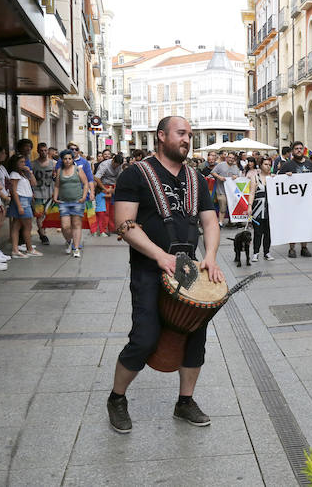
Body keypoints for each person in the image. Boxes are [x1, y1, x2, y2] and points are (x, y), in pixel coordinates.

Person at [108, 115, 224, 434]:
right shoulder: (136, 174)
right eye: (181, 133)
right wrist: (159, 256)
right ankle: (117, 398)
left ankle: (184, 402)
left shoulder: (196, 178)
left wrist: (210, 256)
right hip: (149, 269)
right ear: (161, 136)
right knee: (143, 339)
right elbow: (125, 224)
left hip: (188, 270)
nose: (188, 139)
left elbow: (210, 222)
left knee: (194, 338)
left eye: (190, 134)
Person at [277, 141, 312, 257]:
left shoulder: (310, 164)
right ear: (292, 151)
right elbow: (278, 182)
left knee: (305, 225)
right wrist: (286, 177)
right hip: (292, 202)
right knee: (293, 225)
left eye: (301, 148)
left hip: (306, 201)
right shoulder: (287, 165)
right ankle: (292, 248)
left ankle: (304, 247)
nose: (299, 150)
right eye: (296, 149)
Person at [52, 149, 89, 258]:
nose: (67, 161)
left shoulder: (78, 169)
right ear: (62, 160)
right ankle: (69, 240)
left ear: (72, 159)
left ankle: (76, 248)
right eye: (65, 159)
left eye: (69, 158)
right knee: (65, 226)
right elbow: (57, 186)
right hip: (63, 202)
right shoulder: (60, 171)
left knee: (77, 225)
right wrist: (55, 197)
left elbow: (86, 183)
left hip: (77, 201)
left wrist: (83, 197)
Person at [6, 154, 42, 258]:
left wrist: (29, 172)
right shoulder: (14, 174)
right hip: (22, 200)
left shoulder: (23, 174)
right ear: (15, 163)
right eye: (21, 162)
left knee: (17, 225)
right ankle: (29, 248)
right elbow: (14, 191)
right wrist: (19, 206)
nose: (23, 164)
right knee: (27, 225)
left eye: (24, 161)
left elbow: (34, 183)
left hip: (26, 199)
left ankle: (16, 249)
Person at [249, 157, 274, 262]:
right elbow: (252, 193)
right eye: (265, 164)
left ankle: (267, 252)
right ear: (261, 165)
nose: (267, 166)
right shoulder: (255, 178)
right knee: (258, 232)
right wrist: (249, 205)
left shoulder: (273, 178)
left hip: (270, 210)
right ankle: (255, 253)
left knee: (268, 232)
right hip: (257, 209)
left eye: (269, 164)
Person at [32, 143, 57, 245]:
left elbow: (57, 178)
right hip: (37, 192)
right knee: (39, 215)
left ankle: (42, 229)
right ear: (38, 151)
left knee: (48, 215)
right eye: (41, 150)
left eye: (45, 150)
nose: (43, 152)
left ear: (48, 151)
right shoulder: (33, 164)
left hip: (50, 192)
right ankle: (43, 235)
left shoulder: (53, 164)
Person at [94, 153, 123, 236]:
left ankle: (112, 228)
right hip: (103, 185)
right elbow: (96, 177)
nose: (116, 167)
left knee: (113, 209)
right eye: (115, 165)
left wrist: (114, 189)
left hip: (113, 187)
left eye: (118, 166)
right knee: (105, 209)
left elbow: (119, 178)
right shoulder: (105, 165)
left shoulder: (119, 166)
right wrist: (105, 189)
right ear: (113, 160)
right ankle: (104, 228)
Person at [210, 152, 241, 228]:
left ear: (234, 159)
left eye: (232, 158)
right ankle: (220, 223)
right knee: (223, 207)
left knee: (231, 206)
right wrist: (219, 177)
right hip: (221, 191)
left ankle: (231, 222)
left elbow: (238, 177)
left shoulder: (235, 167)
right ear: (227, 158)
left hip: (231, 192)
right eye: (229, 157)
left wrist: (236, 177)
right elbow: (212, 172)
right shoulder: (221, 165)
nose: (231, 159)